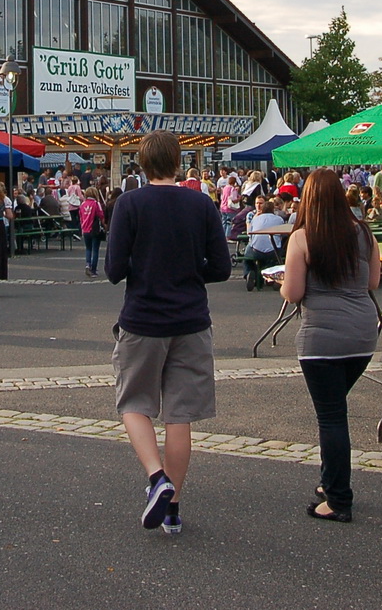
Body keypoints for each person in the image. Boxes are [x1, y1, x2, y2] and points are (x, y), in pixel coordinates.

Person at [106, 130, 232, 536]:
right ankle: (173, 508)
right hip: (191, 320)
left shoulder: (129, 204)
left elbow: (113, 270)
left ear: (142, 164)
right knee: (180, 415)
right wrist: (189, 272)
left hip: (143, 319)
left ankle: (156, 477)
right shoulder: (201, 203)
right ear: (178, 162)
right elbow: (221, 267)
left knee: (134, 402)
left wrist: (145, 268)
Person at [278, 168, 380, 522]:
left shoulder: (302, 238)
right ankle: (329, 481)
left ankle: (338, 499)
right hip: (363, 334)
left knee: (332, 418)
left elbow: (294, 293)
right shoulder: (363, 233)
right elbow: (372, 281)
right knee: (334, 410)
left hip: (321, 337)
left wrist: (282, 282)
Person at [243, 196, 286, 289]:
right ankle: (276, 276)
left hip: (256, 251)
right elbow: (283, 235)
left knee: (246, 257)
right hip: (273, 251)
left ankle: (249, 273)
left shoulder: (255, 219)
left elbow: (249, 234)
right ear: (273, 210)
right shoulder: (279, 219)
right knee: (279, 256)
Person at [78, 185, 107, 277]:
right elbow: (101, 215)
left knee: (88, 248)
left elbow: (81, 217)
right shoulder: (96, 203)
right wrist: (105, 225)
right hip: (94, 229)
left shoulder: (82, 204)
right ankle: (93, 269)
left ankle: (88, 264)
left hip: (85, 229)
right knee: (95, 250)